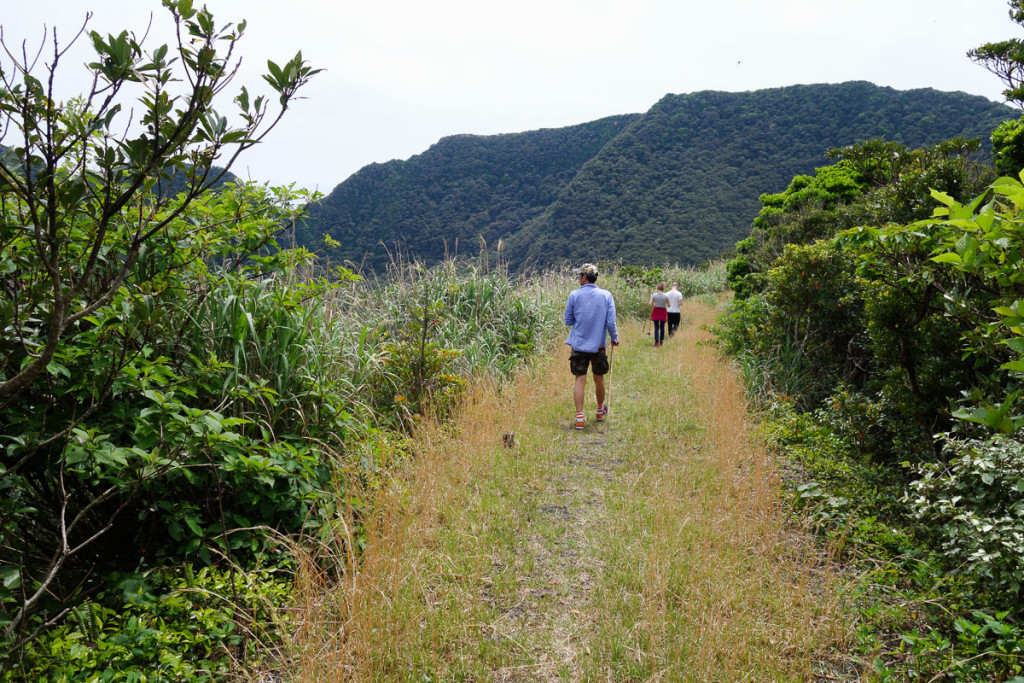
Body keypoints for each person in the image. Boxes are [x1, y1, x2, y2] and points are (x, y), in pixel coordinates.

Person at [564, 263, 619, 430]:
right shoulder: (606, 295)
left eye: (580, 275)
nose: (578, 278)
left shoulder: (574, 295)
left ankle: (580, 417)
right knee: (598, 378)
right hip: (599, 345)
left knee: (580, 379)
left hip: (579, 344)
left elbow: (568, 321)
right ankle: (599, 411)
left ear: (584, 277)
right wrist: (614, 338)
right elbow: (610, 322)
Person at [650, 282, 669, 346]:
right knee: (662, 327)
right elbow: (669, 305)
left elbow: (651, 305)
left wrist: (651, 298)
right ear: (663, 288)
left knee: (656, 327)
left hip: (656, 310)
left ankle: (656, 342)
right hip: (663, 311)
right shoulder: (666, 296)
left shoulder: (654, 295)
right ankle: (661, 342)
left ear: (657, 288)